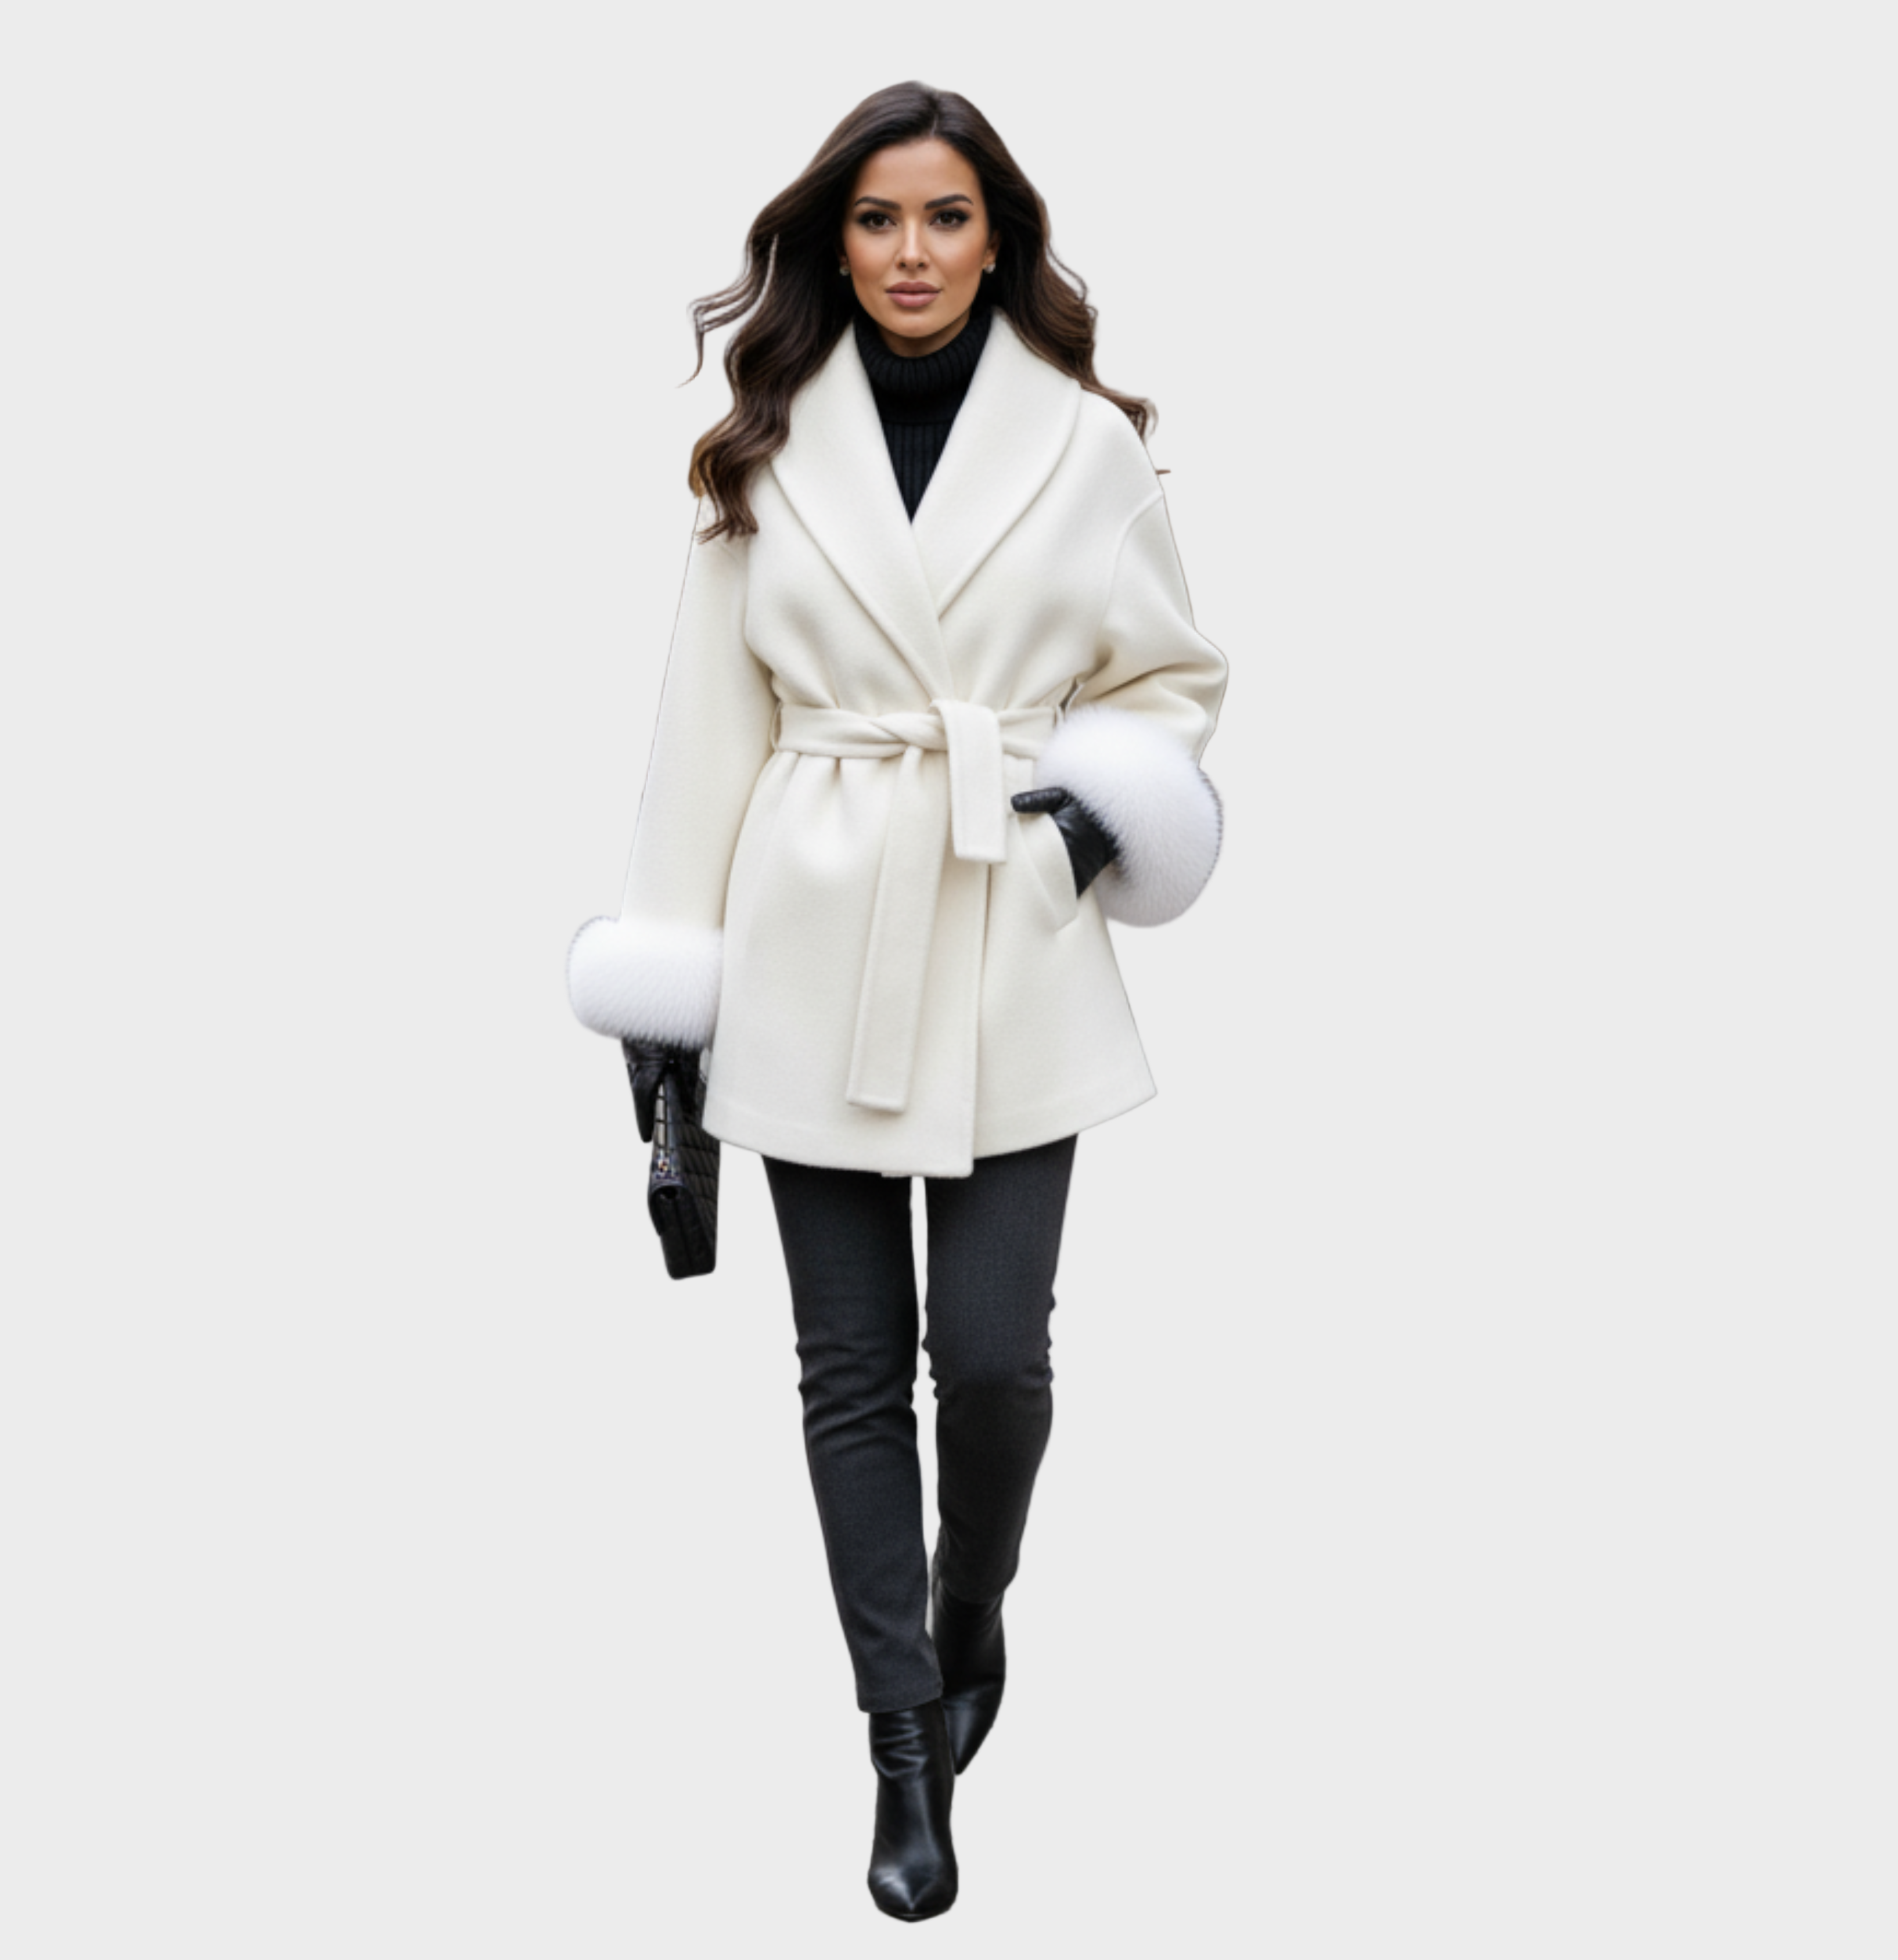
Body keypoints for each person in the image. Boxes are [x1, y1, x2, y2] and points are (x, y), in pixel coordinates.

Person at [565, 80, 1228, 1921]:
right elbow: (703, 729)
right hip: (812, 921)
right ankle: (902, 1739)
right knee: (849, 1369)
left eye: (944, 217)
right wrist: (668, 986)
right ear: (833, 242)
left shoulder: (1088, 447)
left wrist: (1091, 814)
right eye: (876, 220)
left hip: (1008, 916)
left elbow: (1171, 674)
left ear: (996, 238)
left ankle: (969, 1608)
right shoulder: (762, 445)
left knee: (994, 1358)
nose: (911, 252)